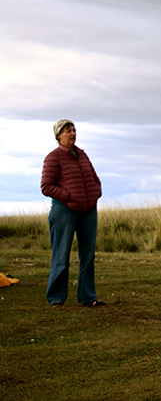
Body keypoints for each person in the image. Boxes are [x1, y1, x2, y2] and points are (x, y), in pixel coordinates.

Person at [41, 119, 105, 308]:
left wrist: (95, 193)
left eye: (74, 130)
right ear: (58, 135)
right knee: (61, 255)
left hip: (88, 210)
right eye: (68, 131)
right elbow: (46, 186)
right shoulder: (53, 157)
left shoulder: (82, 155)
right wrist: (68, 197)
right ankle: (56, 298)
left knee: (88, 255)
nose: (72, 134)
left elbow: (95, 178)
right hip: (64, 211)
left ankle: (87, 296)